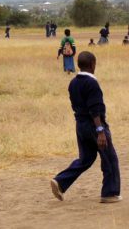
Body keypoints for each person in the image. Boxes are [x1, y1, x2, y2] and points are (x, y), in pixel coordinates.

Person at [51, 51, 121, 203]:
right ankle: (109, 193)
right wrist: (100, 131)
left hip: (80, 125)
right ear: (92, 64)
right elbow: (94, 109)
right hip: (94, 125)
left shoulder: (73, 82)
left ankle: (61, 181)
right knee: (109, 158)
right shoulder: (91, 83)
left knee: (86, 159)